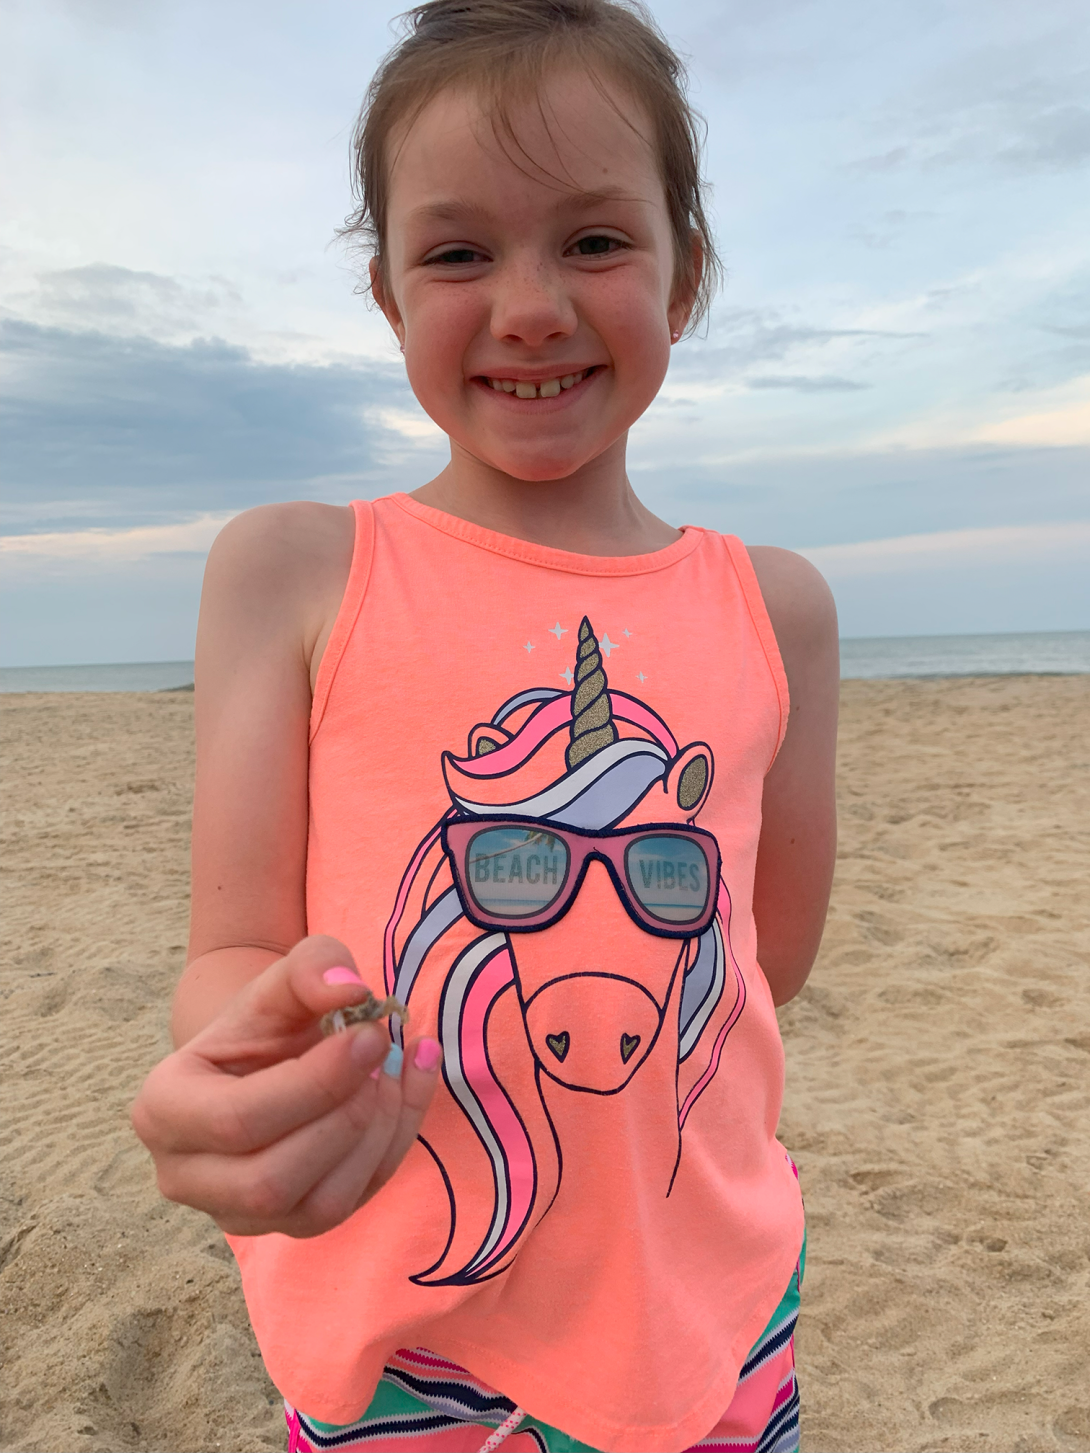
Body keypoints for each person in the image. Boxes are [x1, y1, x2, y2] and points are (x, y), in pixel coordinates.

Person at [131, 1, 839, 1449]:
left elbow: (767, 956)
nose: (526, 305)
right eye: (457, 252)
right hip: (402, 1320)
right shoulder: (292, 570)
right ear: (388, 295)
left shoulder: (781, 607)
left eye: (592, 240)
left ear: (683, 274)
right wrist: (249, 1059)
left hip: (704, 1302)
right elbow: (230, 957)